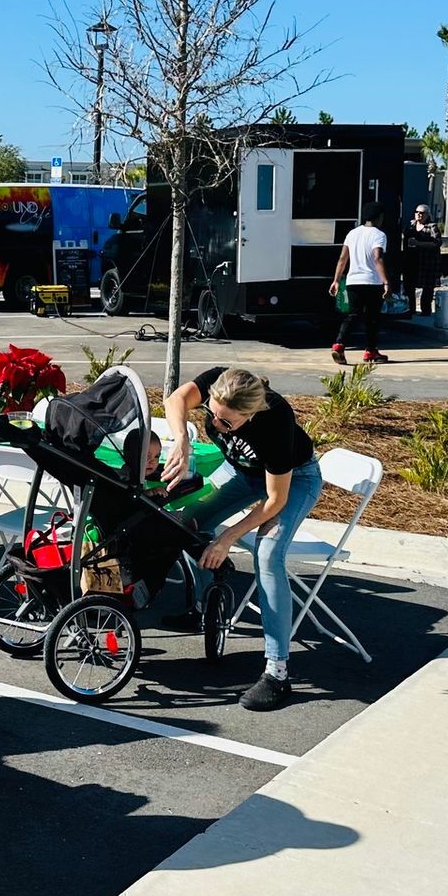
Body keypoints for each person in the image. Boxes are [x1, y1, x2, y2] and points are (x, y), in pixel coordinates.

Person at [158, 367, 322, 712]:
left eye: (227, 423)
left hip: (292, 482)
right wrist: (182, 440)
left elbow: (275, 501)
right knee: (186, 522)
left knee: (267, 554)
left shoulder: (274, 420)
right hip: (240, 470)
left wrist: (228, 538)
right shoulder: (223, 382)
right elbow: (176, 399)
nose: (217, 426)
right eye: (212, 416)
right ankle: (207, 610)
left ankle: (277, 671)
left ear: (251, 414)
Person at [328, 206, 392, 365]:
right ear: (378, 217)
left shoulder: (352, 233)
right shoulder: (379, 235)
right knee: (372, 318)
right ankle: (371, 351)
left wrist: (336, 280)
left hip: (353, 281)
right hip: (372, 281)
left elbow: (342, 259)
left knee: (352, 315)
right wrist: (386, 282)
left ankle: (339, 344)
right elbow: (377, 258)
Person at [404, 204, 442, 316]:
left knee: (427, 288)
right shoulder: (411, 225)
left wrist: (418, 243)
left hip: (427, 262)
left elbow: (437, 243)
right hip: (412, 260)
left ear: (427, 215)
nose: (419, 215)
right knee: (409, 286)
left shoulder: (432, 227)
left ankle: (426, 310)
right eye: (417, 212)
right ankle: (410, 308)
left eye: (422, 213)